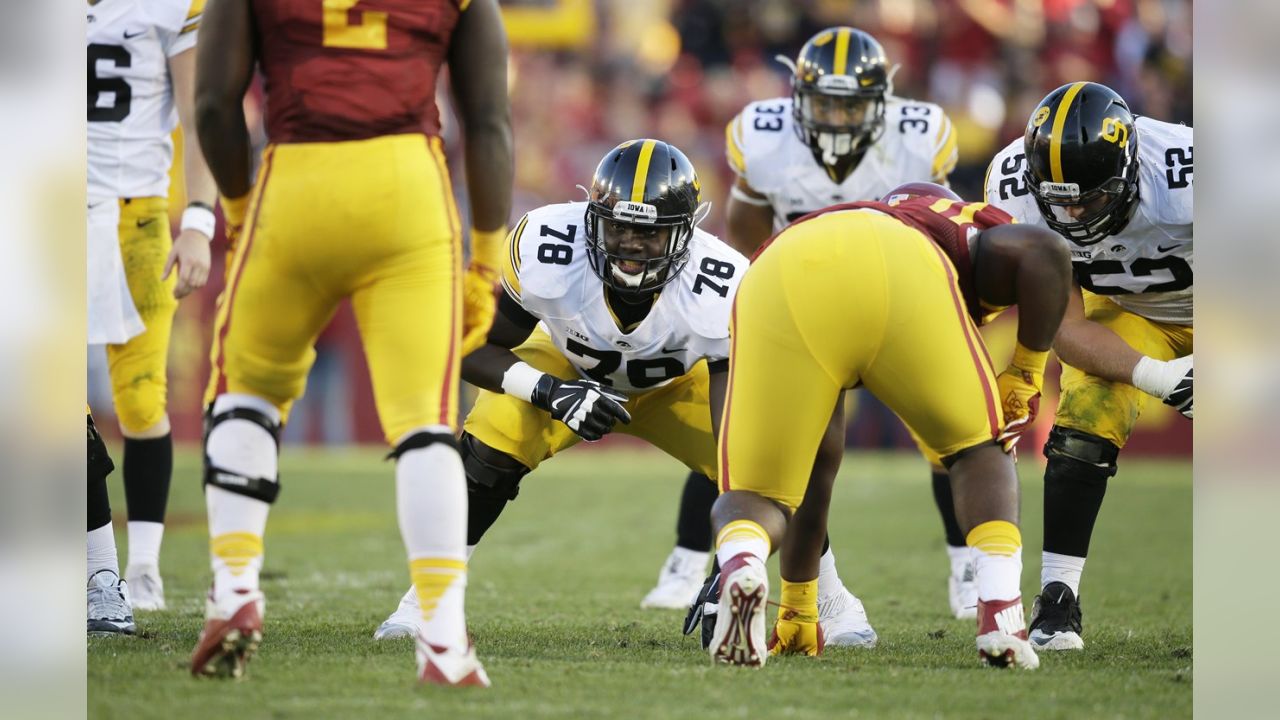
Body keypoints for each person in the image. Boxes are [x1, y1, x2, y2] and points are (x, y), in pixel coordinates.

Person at [189, 0, 513, 685]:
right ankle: (443, 636)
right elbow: (487, 122)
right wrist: (486, 257)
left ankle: (236, 588)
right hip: (407, 188)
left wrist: (246, 212)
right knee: (426, 424)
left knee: (244, 390)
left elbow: (215, 108)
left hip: (297, 178)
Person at [372, 139, 749, 643]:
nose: (630, 244)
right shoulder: (547, 244)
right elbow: (467, 348)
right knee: (494, 435)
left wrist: (735, 564)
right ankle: (428, 600)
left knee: (770, 466)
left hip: (676, 384)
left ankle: (826, 602)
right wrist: (550, 392)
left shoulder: (720, 282)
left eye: (649, 233)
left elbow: (737, 440)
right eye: (618, 227)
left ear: (683, 233)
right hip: (568, 368)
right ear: (592, 218)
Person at [668, 26, 963, 649]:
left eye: (851, 103)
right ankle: (827, 596)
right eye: (825, 102)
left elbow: (939, 224)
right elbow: (749, 226)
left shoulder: (921, 137)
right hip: (807, 296)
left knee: (951, 429)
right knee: (807, 453)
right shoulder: (764, 137)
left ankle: (961, 564)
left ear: (883, 102)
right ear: (798, 97)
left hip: (893, 300)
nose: (836, 116)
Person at [707, 182, 1073, 670]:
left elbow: (819, 469)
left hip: (778, 268)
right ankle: (1000, 612)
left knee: (761, 494)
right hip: (901, 261)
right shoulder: (954, 227)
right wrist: (1027, 369)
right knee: (977, 450)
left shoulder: (848, 223)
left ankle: (745, 566)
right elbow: (1046, 249)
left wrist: (799, 611)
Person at [983, 81, 1193, 651]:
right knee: (1083, 420)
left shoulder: (1189, 174)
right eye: (1060, 201)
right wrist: (1164, 379)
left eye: (1091, 199)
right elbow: (1066, 329)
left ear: (1128, 173)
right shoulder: (1012, 186)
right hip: (1126, 312)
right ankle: (1057, 598)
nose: (1072, 214)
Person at [87, 0, 217, 613]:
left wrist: (197, 221)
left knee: (140, 399)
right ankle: (96, 569)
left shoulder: (172, 6)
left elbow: (200, 114)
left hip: (132, 219)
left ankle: (141, 569)